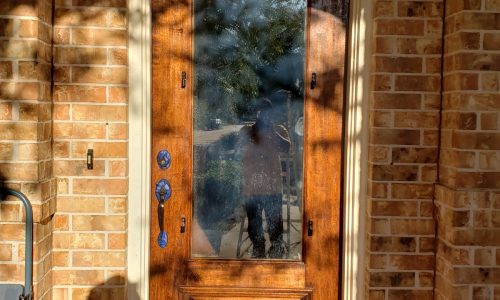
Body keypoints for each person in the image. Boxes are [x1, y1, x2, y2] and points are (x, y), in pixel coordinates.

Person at [238, 98, 290, 258]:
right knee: (254, 223)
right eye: (261, 113)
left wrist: (271, 131)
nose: (264, 116)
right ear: (256, 114)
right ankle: (258, 248)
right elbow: (239, 151)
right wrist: (256, 131)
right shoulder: (246, 130)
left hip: (272, 187)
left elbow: (287, 147)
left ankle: (276, 248)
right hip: (252, 188)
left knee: (275, 222)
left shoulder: (279, 130)